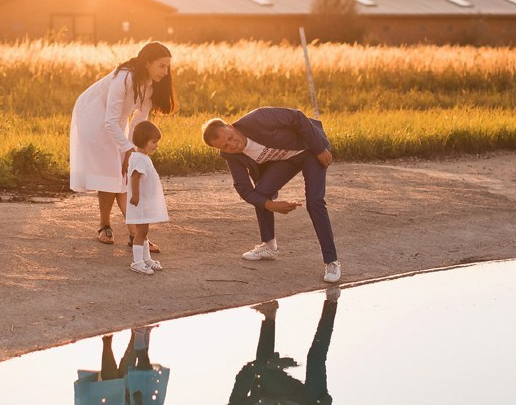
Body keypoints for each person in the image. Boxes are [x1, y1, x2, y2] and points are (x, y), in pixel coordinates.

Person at [201, 107, 340, 283]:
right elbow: (243, 188)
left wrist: (319, 148)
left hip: (310, 149)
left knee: (315, 202)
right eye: (225, 146)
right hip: (286, 160)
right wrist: (270, 205)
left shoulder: (258, 119)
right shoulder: (230, 155)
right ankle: (269, 245)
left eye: (230, 138)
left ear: (230, 126)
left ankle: (331, 261)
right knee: (261, 193)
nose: (232, 145)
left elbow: (297, 117)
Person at [69, 41, 176, 250]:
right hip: (92, 117)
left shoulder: (151, 85)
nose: (166, 71)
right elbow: (108, 120)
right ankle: (107, 226)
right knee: (112, 172)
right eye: (161, 66)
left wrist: (136, 149)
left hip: (116, 121)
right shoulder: (125, 77)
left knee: (124, 172)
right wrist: (126, 149)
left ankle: (134, 235)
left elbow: (139, 120)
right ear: (148, 62)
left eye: (168, 66)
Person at [206, 288, 340, 405]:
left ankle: (269, 315)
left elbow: (244, 377)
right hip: (308, 402)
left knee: (260, 372)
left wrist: (268, 366)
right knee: (315, 358)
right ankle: (332, 303)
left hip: (281, 392)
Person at [125, 121, 168, 275]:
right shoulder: (139, 159)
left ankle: (146, 259)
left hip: (144, 202)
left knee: (144, 232)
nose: (156, 146)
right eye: (154, 142)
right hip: (140, 203)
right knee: (141, 232)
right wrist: (135, 196)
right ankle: (137, 262)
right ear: (143, 141)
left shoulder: (141, 156)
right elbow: (134, 177)